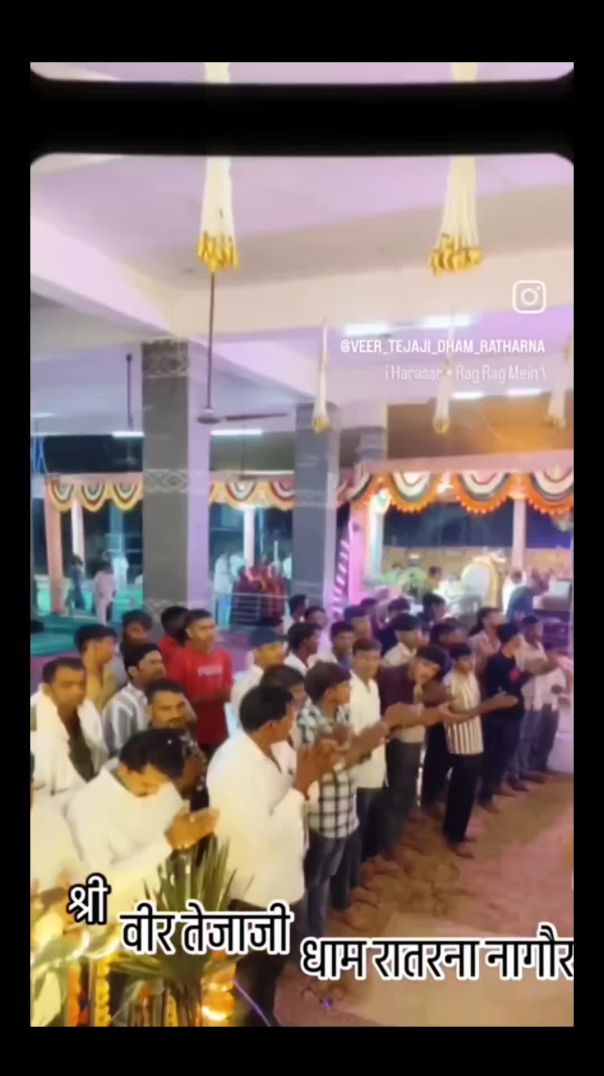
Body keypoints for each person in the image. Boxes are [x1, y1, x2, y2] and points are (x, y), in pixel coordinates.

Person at [207, 685, 339, 1026]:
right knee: (250, 972)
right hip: (254, 888)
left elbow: (305, 797)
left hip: (286, 876)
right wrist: (301, 787)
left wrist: (313, 774)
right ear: (270, 724)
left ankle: (264, 1017)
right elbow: (259, 835)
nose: (294, 722)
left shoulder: (279, 747)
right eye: (290, 716)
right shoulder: (232, 766)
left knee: (272, 964)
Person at [298, 663, 407, 934]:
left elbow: (353, 753)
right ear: (329, 693)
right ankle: (310, 936)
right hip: (323, 814)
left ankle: (325, 922)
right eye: (345, 686)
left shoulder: (342, 713)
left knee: (328, 873)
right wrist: (376, 733)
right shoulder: (308, 722)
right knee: (313, 879)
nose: (350, 690)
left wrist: (370, 742)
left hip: (344, 807)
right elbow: (325, 768)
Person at [67, 729, 218, 914]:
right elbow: (100, 882)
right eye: (147, 785)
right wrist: (167, 843)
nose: (155, 793)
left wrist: (196, 827)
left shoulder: (161, 785)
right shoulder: (87, 806)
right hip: (124, 916)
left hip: (170, 905)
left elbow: (178, 833)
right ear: (124, 769)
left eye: (161, 785)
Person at [442, 645, 517, 857]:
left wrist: (493, 702)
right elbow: (456, 714)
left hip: (474, 739)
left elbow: (476, 706)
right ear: (454, 661)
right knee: (461, 791)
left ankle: (456, 830)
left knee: (466, 791)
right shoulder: (449, 681)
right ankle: (455, 837)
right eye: (465, 659)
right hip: (460, 742)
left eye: (472, 658)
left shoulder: (471, 677)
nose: (470, 663)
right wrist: (491, 705)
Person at [377, 646, 450, 856]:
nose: (428, 672)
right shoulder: (393, 677)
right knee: (395, 793)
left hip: (412, 739)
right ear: (414, 659)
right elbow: (394, 716)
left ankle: (396, 839)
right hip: (395, 741)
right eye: (425, 665)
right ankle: (386, 847)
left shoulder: (421, 682)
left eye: (433, 669)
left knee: (405, 791)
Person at [480, 623, 554, 810]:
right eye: (518, 635)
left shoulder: (511, 659)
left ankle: (495, 785)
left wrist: (530, 673)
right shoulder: (496, 661)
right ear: (512, 638)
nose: (521, 638)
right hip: (500, 716)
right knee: (494, 756)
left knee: (505, 753)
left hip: (513, 714)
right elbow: (495, 689)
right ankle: (485, 794)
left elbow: (515, 681)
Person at [31, 657, 108, 808]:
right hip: (52, 804)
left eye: (82, 684)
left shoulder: (87, 709)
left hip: (91, 794)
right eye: (67, 685)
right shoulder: (34, 723)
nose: (78, 691)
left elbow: (98, 755)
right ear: (47, 690)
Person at [166, 609, 233, 756]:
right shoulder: (180, 659)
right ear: (189, 633)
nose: (210, 633)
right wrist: (210, 698)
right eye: (203, 629)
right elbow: (172, 700)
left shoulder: (223, 656)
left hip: (219, 732)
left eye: (212, 627)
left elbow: (228, 689)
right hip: (192, 734)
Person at [346, 638, 387, 881]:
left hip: (376, 766)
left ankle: (361, 869)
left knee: (368, 823)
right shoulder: (348, 689)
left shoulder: (373, 685)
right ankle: (352, 881)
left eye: (375, 658)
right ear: (353, 658)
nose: (370, 664)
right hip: (358, 770)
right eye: (364, 658)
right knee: (355, 828)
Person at [507, 616, 556, 787]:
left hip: (538, 696)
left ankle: (524, 768)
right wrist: (539, 668)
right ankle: (513, 774)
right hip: (524, 695)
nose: (538, 633)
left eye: (540, 629)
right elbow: (519, 670)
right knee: (518, 737)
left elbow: (543, 667)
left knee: (529, 736)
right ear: (526, 628)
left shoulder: (539, 645)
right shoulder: (519, 645)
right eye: (535, 629)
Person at [146, 680, 208, 808]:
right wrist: (187, 779)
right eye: (166, 709)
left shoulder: (181, 730)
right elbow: (155, 804)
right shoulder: (147, 751)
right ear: (149, 712)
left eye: (180, 706)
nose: (176, 714)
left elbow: (192, 718)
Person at [102, 643, 166, 756]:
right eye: (152, 663)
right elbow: (120, 752)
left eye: (161, 662)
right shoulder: (121, 705)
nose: (160, 667)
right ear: (133, 671)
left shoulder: (164, 695)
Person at [230, 626, 286, 725]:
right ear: (256, 653)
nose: (281, 652)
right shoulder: (245, 686)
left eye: (281, 647)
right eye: (272, 648)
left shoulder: (283, 679)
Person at [75, 623, 120, 711]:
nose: (115, 650)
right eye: (111, 643)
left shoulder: (109, 673)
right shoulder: (75, 678)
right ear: (93, 646)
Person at [110, 609, 155, 692]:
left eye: (145, 631)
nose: (140, 636)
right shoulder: (111, 655)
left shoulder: (152, 656)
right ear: (124, 629)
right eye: (135, 630)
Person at [468, 606, 506, 676]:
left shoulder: (506, 639)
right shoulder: (474, 641)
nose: (500, 617)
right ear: (484, 620)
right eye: (496, 614)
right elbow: (471, 669)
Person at [92, 559, 117, 625]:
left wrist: (113, 594)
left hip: (109, 598)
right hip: (102, 598)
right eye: (109, 567)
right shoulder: (99, 575)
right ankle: (103, 626)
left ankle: (106, 625)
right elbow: (95, 586)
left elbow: (114, 587)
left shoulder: (111, 576)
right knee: (102, 615)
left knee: (107, 615)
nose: (110, 568)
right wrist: (98, 593)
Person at [213, 551, 233, 629]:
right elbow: (225, 571)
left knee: (225, 606)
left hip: (225, 590)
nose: (227, 556)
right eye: (226, 554)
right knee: (223, 607)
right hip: (222, 589)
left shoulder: (224, 562)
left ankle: (224, 621)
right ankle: (222, 622)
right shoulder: (220, 562)